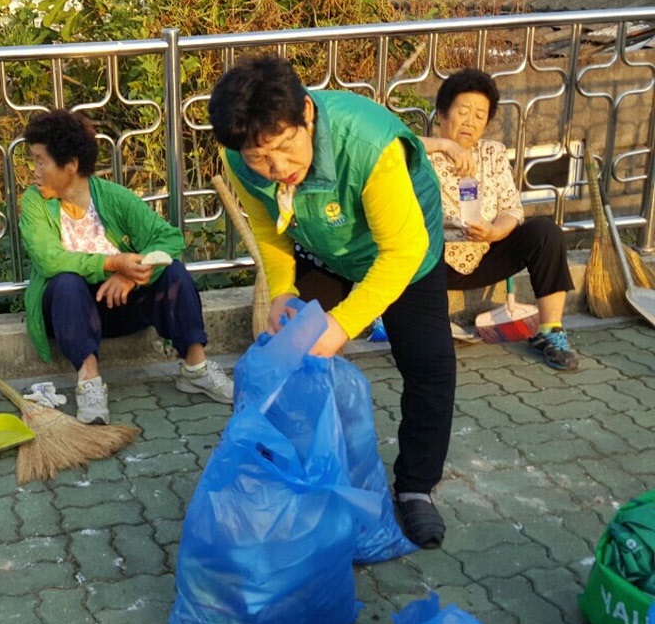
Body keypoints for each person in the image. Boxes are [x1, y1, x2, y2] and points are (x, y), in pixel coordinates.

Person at [207, 54, 455, 549]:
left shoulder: (367, 145)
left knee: (429, 367)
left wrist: (342, 326)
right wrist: (282, 289)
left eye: (284, 147)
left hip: (405, 254)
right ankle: (291, 476)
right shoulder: (241, 155)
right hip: (324, 249)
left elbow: (401, 250)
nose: (277, 168)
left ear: (306, 114)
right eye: (261, 159)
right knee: (290, 353)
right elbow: (266, 228)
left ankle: (414, 489)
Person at [19, 109, 233, 424]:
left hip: (118, 304)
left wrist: (130, 277)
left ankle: (195, 369)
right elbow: (49, 259)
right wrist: (113, 261)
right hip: (69, 313)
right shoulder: (35, 202)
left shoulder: (113, 197)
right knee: (65, 281)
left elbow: (169, 238)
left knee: (172, 271)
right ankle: (89, 381)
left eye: (40, 161)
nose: (34, 171)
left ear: (71, 165)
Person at [421, 68, 579, 371]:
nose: (471, 121)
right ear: (441, 113)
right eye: (463, 111)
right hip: (433, 260)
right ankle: (431, 333)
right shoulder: (420, 153)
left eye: (480, 115)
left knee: (545, 232)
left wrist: (494, 231)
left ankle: (551, 332)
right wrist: (446, 146)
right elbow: (391, 142)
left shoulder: (492, 152)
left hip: (485, 252)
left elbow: (511, 209)